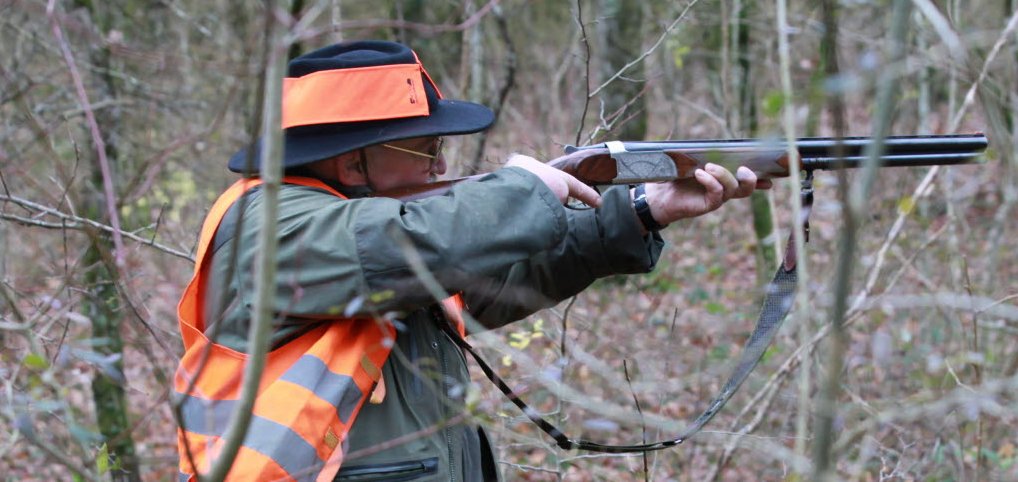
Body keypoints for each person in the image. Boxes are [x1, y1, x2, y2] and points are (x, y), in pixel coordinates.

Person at [173, 40, 766, 482]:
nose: (440, 165)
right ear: (353, 166)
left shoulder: (378, 235)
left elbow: (495, 286)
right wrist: (522, 187)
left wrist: (641, 212)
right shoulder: (266, 225)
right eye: (425, 148)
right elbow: (409, 243)